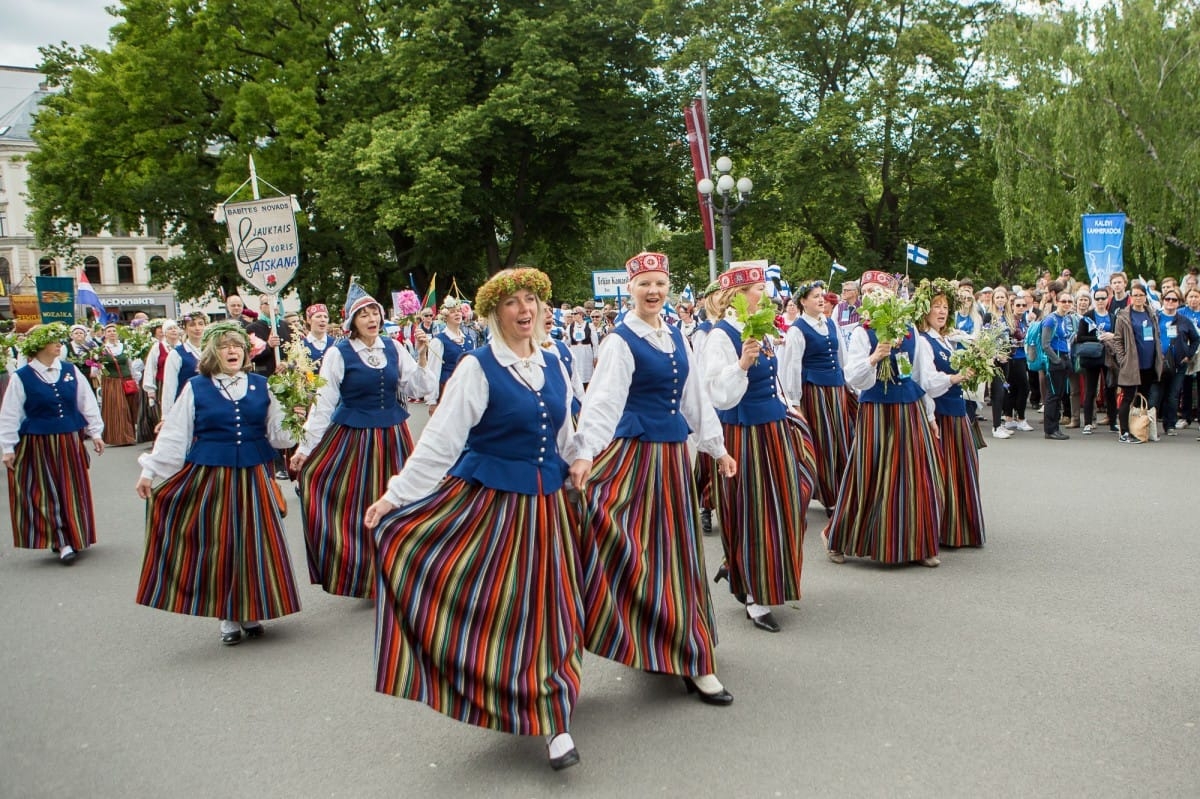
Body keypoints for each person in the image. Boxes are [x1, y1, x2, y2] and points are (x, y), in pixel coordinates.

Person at [363, 268, 585, 770]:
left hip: (549, 508)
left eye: (531, 300)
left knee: (553, 609)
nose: (525, 310)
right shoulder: (478, 367)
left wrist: (580, 458)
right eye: (513, 303)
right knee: (507, 611)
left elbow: (567, 430)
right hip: (495, 510)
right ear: (493, 313)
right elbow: (439, 442)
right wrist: (394, 498)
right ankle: (520, 695)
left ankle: (554, 714)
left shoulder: (552, 361)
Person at [570, 252, 738, 706]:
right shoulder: (621, 341)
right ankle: (656, 640)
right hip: (635, 459)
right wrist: (584, 453)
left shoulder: (675, 336)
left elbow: (694, 398)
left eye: (660, 284)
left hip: (671, 461)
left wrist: (717, 447)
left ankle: (693, 655)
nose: (653, 292)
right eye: (645, 284)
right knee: (639, 551)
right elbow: (603, 402)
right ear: (631, 289)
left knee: (679, 555)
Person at [134, 322, 304, 645]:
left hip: (254, 475)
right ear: (214, 352)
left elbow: (278, 437)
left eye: (238, 345)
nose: (233, 351)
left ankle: (252, 608)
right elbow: (175, 434)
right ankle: (227, 614)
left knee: (255, 545)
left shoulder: (261, 385)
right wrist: (150, 471)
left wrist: (294, 416)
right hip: (213, 476)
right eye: (226, 346)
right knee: (221, 544)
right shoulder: (196, 387)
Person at [290, 284, 434, 599]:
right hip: (354, 440)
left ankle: (398, 569)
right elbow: (324, 403)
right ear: (352, 321)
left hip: (393, 437)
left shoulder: (393, 348)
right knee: (356, 506)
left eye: (375, 313)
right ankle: (365, 572)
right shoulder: (338, 353)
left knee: (401, 502)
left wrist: (422, 356)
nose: (371, 319)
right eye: (364, 314)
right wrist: (306, 448)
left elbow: (419, 387)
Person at [701, 262, 815, 633]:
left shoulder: (760, 329)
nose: (764, 295)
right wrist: (742, 364)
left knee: (787, 502)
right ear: (737, 295)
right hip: (744, 434)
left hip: (774, 427)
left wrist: (789, 407)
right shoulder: (720, 336)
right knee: (754, 511)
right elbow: (719, 394)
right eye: (758, 290)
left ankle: (744, 567)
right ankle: (753, 592)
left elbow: (775, 379)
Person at [823, 270, 944, 567]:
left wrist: (930, 415)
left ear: (892, 296)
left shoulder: (911, 331)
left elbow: (921, 376)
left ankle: (921, 544)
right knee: (866, 475)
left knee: (915, 476)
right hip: (877, 410)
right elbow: (853, 378)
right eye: (870, 292)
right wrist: (874, 357)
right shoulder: (864, 332)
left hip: (908, 409)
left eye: (881, 292)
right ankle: (838, 538)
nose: (875, 297)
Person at [0, 323, 105, 564]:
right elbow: (10, 413)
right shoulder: (22, 377)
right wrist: (8, 447)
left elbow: (86, 401)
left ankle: (76, 534)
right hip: (38, 442)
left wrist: (96, 433)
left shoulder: (69, 371)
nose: (59, 344)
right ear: (38, 346)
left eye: (59, 340)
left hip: (69, 439)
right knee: (46, 491)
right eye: (53, 340)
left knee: (72, 488)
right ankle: (61, 540)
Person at [915, 280, 984, 548]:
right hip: (942, 412)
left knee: (962, 470)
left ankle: (960, 528)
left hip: (957, 411)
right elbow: (928, 383)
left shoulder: (948, 338)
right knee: (944, 472)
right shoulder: (923, 341)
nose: (941, 311)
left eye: (945, 306)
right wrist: (957, 377)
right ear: (925, 310)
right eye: (936, 306)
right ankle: (944, 529)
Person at [779, 279, 852, 517]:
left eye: (822, 295)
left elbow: (843, 359)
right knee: (825, 441)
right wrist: (795, 402)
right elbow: (792, 366)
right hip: (816, 391)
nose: (821, 299)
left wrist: (849, 387)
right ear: (803, 301)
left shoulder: (830, 323)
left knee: (842, 438)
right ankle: (829, 496)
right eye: (815, 296)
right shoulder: (799, 329)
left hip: (836, 389)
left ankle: (842, 490)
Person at [1102, 283, 1163, 443]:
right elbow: (1117, 340)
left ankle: (1139, 428)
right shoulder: (1124, 316)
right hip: (1131, 364)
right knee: (1128, 397)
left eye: (1140, 295)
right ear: (1131, 297)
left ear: (1145, 297)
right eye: (1135, 295)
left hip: (1148, 363)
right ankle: (1124, 432)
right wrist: (1123, 360)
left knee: (1143, 398)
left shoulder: (1151, 314)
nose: (1138, 298)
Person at [1152, 288, 1198, 435]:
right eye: (1167, 299)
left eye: (1174, 300)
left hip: (1178, 364)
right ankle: (1149, 425)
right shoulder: (1155, 318)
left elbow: (1196, 339)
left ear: (1179, 302)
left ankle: (1170, 425)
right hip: (1158, 363)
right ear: (1163, 300)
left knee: (1172, 396)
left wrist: (1189, 355)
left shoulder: (1184, 321)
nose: (1170, 302)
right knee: (1154, 395)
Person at [97, 322, 141, 446]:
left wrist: (136, 380)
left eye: (114, 331)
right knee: (119, 409)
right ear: (105, 335)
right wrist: (95, 362)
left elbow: (131, 364)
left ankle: (130, 434)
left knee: (130, 407)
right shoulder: (101, 350)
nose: (112, 333)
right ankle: (122, 437)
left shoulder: (125, 347)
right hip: (112, 381)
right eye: (109, 331)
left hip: (127, 379)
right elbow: (95, 370)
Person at [426, 297, 476, 404]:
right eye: (453, 312)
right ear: (445, 317)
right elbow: (433, 371)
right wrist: (432, 401)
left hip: (468, 391)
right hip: (448, 391)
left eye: (459, 311)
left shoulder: (469, 339)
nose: (457, 314)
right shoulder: (438, 341)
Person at [160, 311, 208, 423]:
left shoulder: (211, 351)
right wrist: (166, 416)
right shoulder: (177, 354)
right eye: (192, 325)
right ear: (185, 329)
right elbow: (169, 386)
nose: (197, 328)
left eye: (201, 324)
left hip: (209, 402)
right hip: (186, 404)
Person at [1041, 293, 1077, 440]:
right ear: (1057, 302)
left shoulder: (1066, 318)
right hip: (1055, 360)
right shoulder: (1051, 320)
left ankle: (1055, 428)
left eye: (1069, 301)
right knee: (1053, 396)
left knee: (1059, 395)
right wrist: (1056, 360)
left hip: (1064, 357)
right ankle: (1050, 429)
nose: (1066, 303)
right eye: (1064, 301)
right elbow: (1045, 344)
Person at [141, 319, 180, 439]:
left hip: (179, 383)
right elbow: (150, 367)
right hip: (162, 384)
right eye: (170, 329)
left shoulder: (182, 346)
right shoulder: (158, 347)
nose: (173, 330)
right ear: (164, 332)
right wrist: (150, 388)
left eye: (175, 328)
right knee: (163, 413)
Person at [564, 307, 598, 387]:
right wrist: (565, 338)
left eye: (574, 314)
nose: (572, 315)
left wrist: (595, 357)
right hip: (575, 352)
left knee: (587, 375)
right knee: (576, 374)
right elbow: (567, 342)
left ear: (581, 314)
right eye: (572, 314)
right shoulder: (570, 327)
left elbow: (595, 343)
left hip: (586, 354)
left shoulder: (590, 326)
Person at [301, 303, 333, 368]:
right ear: (309, 320)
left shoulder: (336, 343)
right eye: (318, 316)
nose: (323, 320)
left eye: (325, 317)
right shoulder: (300, 345)